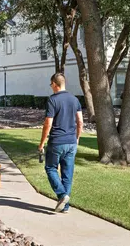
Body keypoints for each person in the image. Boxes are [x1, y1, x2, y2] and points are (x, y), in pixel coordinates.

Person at [38, 73, 83, 213]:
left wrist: (41, 143)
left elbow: (48, 123)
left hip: (57, 141)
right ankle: (65, 207)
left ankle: (62, 195)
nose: (51, 87)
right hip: (71, 142)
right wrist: (77, 138)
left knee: (50, 168)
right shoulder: (74, 100)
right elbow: (80, 122)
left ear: (55, 84)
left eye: (51, 84)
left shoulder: (52, 100)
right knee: (67, 174)